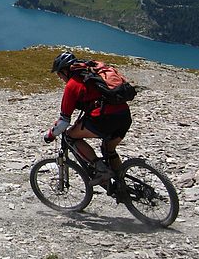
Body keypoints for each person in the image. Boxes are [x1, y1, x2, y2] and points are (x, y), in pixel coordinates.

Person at [43, 51, 132, 186]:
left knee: (70, 136)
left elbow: (64, 121)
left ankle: (101, 170)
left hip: (104, 119)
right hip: (124, 116)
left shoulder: (72, 85)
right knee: (109, 148)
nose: (60, 78)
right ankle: (122, 184)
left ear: (65, 71)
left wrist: (50, 135)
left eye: (59, 74)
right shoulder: (92, 72)